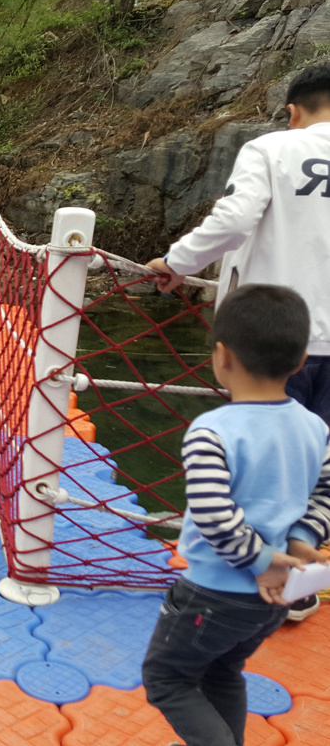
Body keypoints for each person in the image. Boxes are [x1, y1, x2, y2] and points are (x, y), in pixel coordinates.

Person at [145, 62, 330, 620]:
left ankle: (240, 591)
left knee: (247, 464)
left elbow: (237, 216)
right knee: (320, 467)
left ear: (294, 111)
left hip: (274, 329)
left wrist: (177, 263)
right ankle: (300, 581)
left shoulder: (274, 148)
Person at [141, 285, 330, 746]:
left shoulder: (212, 430)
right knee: (223, 670)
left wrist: (260, 561)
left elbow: (212, 513)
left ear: (221, 356)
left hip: (214, 592)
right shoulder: (315, 426)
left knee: (167, 678)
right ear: (302, 359)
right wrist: (304, 538)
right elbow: (324, 489)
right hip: (276, 597)